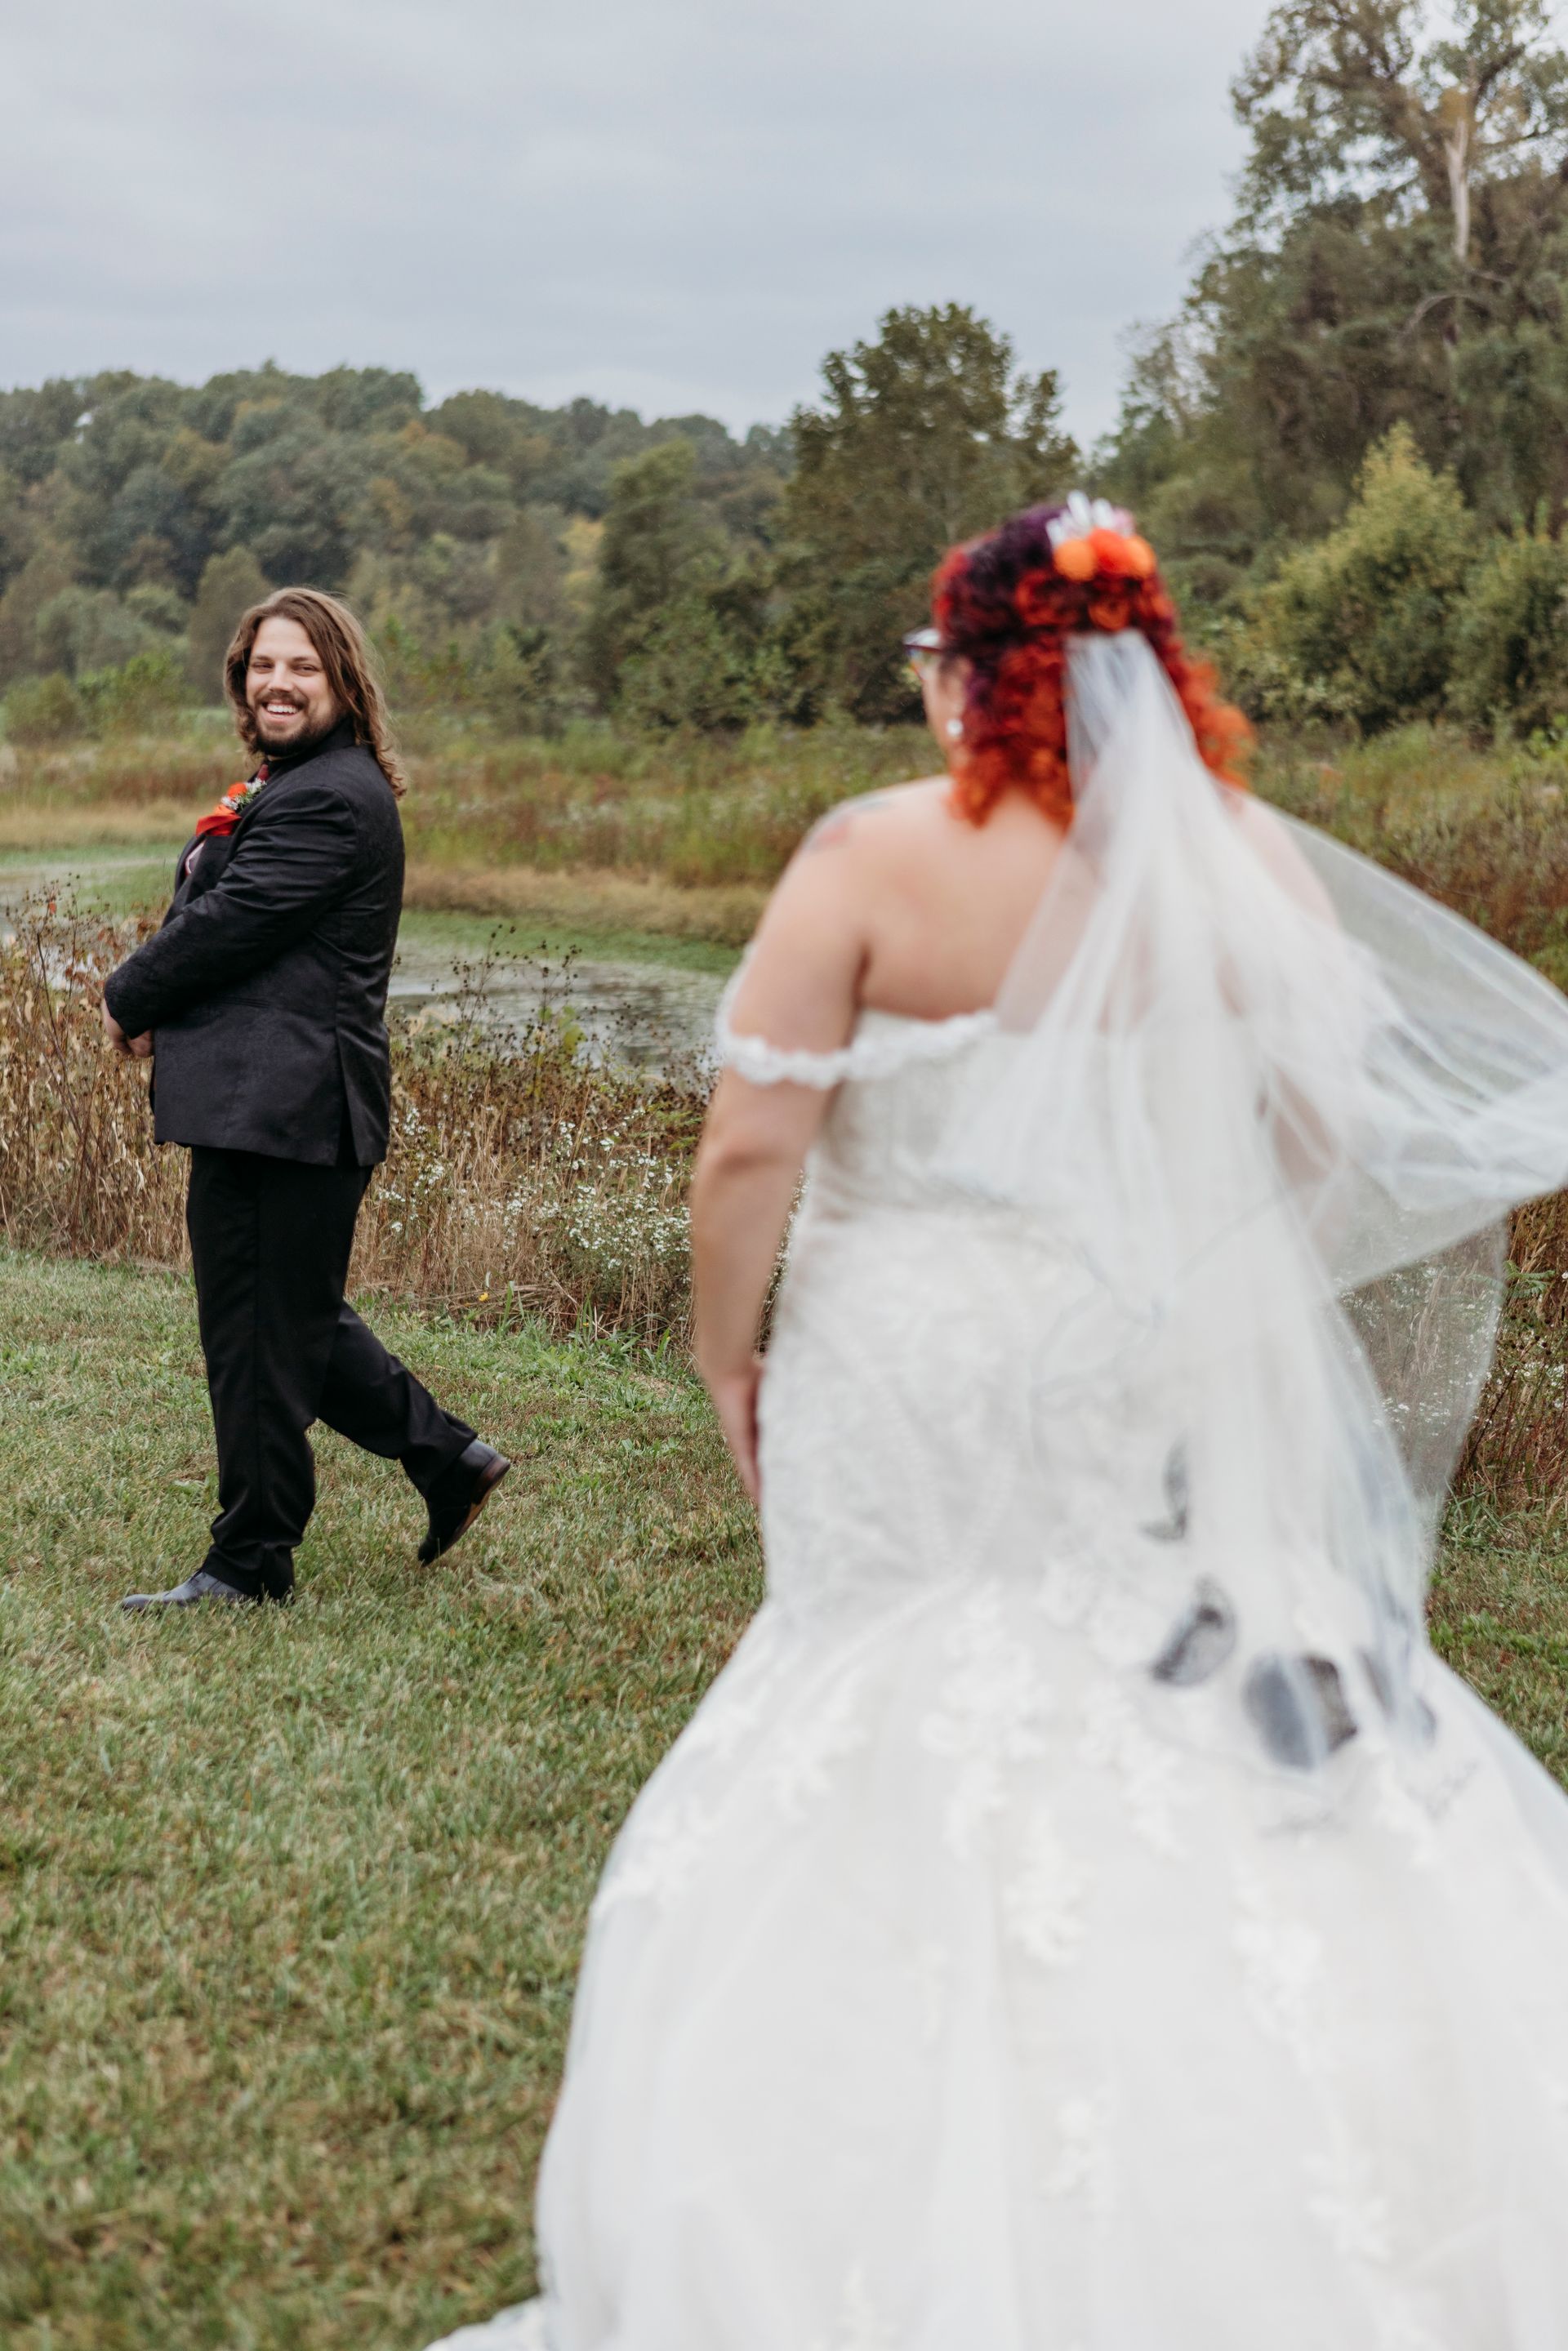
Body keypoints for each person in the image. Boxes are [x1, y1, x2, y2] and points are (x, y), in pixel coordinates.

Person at [431, 501, 1568, 2350]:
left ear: (973, 671)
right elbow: (1326, 1134)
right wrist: (1199, 1270)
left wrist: (724, 1356)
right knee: (1153, 1673)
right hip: (1135, 1351)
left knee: (891, 1673)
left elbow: (747, 1150)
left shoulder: (876, 854)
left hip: (910, 1360)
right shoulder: (1246, 861)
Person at [105, 588, 509, 1610]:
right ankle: (447, 1458)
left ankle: (249, 1563)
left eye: (302, 667)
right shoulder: (292, 783)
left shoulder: (331, 797)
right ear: (241, 680)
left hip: (287, 1108)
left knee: (256, 1333)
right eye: (262, 666)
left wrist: (129, 995)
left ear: (343, 681)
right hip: (266, 1102)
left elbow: (235, 919)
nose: (277, 683)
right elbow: (218, 906)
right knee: (286, 1319)